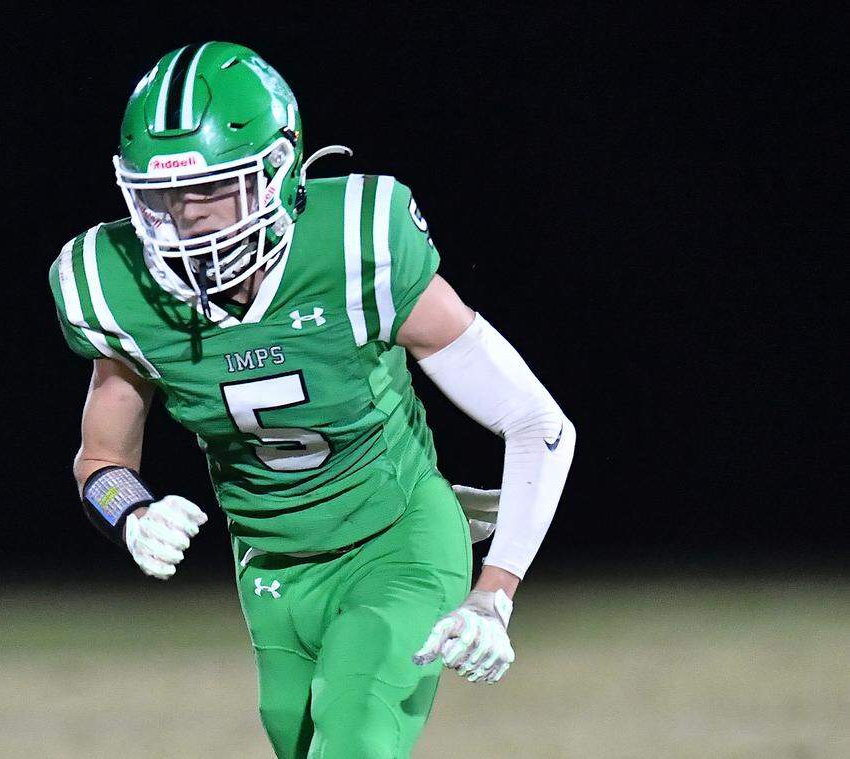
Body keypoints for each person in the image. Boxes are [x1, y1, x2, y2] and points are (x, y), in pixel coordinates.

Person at [48, 41, 575, 759]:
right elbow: (101, 459)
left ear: (276, 170)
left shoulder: (356, 244)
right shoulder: (118, 286)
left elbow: (537, 421)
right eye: (162, 198)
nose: (186, 221)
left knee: (355, 732)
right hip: (270, 565)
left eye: (210, 190)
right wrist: (131, 512)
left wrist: (494, 592)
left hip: (397, 541)